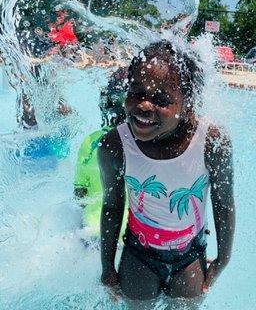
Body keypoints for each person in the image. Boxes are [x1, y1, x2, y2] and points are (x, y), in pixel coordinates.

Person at [98, 40, 235, 308]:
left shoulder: (210, 142)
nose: (144, 106)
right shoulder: (115, 145)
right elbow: (112, 206)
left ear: (188, 104)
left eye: (161, 100)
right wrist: (107, 267)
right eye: (137, 92)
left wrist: (224, 258)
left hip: (190, 254)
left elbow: (224, 202)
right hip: (139, 253)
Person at [74, 67, 128, 237]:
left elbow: (79, 194)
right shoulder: (144, 144)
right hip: (132, 236)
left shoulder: (90, 143)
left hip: (92, 229)